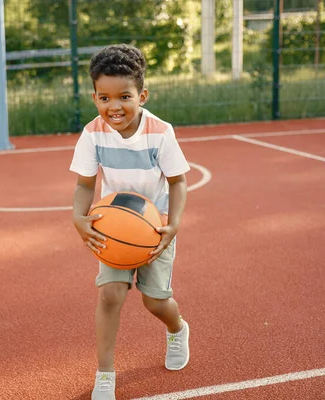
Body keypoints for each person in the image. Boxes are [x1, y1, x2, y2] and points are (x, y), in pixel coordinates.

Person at [69, 43, 190, 400]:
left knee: (154, 301)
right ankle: (105, 372)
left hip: (155, 229)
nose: (114, 106)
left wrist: (174, 225)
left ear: (142, 95)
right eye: (104, 98)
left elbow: (178, 181)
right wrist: (78, 217)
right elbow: (83, 184)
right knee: (110, 295)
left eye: (124, 96)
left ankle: (177, 328)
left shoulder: (160, 132)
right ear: (94, 98)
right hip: (113, 229)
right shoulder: (92, 134)